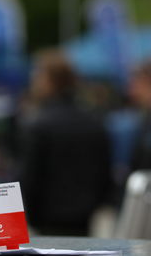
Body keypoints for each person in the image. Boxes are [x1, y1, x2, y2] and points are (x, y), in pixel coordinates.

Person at [19, 49, 112, 236]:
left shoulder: (39, 124)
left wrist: (29, 214)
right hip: (85, 218)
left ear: (49, 81)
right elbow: (104, 173)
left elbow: (31, 177)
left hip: (46, 221)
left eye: (38, 75)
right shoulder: (94, 121)